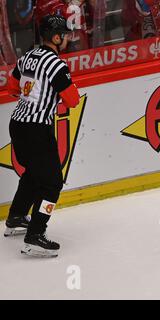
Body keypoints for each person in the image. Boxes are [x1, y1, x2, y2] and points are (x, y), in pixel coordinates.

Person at [4, 14, 80, 257]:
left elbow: (12, 87)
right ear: (56, 37)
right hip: (37, 129)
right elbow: (73, 100)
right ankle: (35, 234)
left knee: (34, 174)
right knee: (52, 183)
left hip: (17, 124)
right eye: (65, 36)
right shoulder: (56, 64)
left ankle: (16, 216)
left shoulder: (27, 56)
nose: (67, 39)